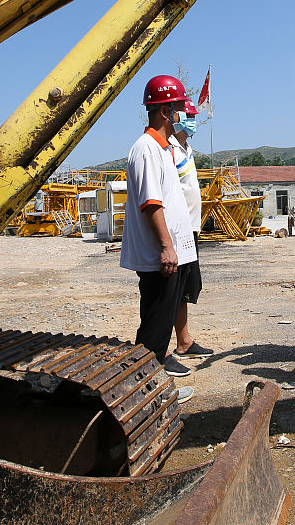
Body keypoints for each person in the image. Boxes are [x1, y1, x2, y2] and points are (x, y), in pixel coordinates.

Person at [122, 74, 199, 398]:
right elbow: (151, 203)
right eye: (179, 107)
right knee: (154, 329)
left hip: (172, 254)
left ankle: (149, 390)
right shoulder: (146, 150)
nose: (183, 114)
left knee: (161, 323)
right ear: (166, 112)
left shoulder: (164, 148)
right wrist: (167, 248)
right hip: (159, 258)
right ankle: (142, 394)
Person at [169, 98, 215, 361]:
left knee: (186, 287)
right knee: (171, 289)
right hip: (177, 229)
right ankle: (161, 348)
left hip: (191, 229)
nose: (192, 121)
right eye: (188, 115)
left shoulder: (187, 148)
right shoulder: (169, 149)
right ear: (174, 117)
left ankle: (184, 342)